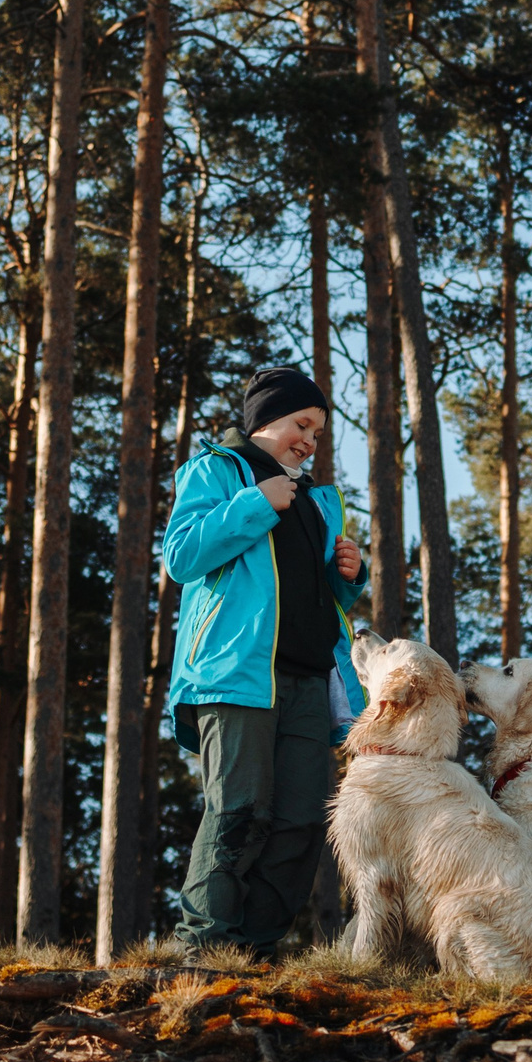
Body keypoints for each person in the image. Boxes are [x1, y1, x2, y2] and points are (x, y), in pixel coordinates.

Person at [162, 365, 368, 958]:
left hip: (308, 680)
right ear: (265, 420)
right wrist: (255, 503)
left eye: (319, 432)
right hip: (235, 673)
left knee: (302, 822)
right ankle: (202, 945)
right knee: (239, 810)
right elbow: (182, 555)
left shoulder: (318, 501)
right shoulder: (219, 470)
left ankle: (255, 948)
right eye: (301, 424)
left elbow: (310, 593)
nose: (309, 440)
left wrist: (345, 576)